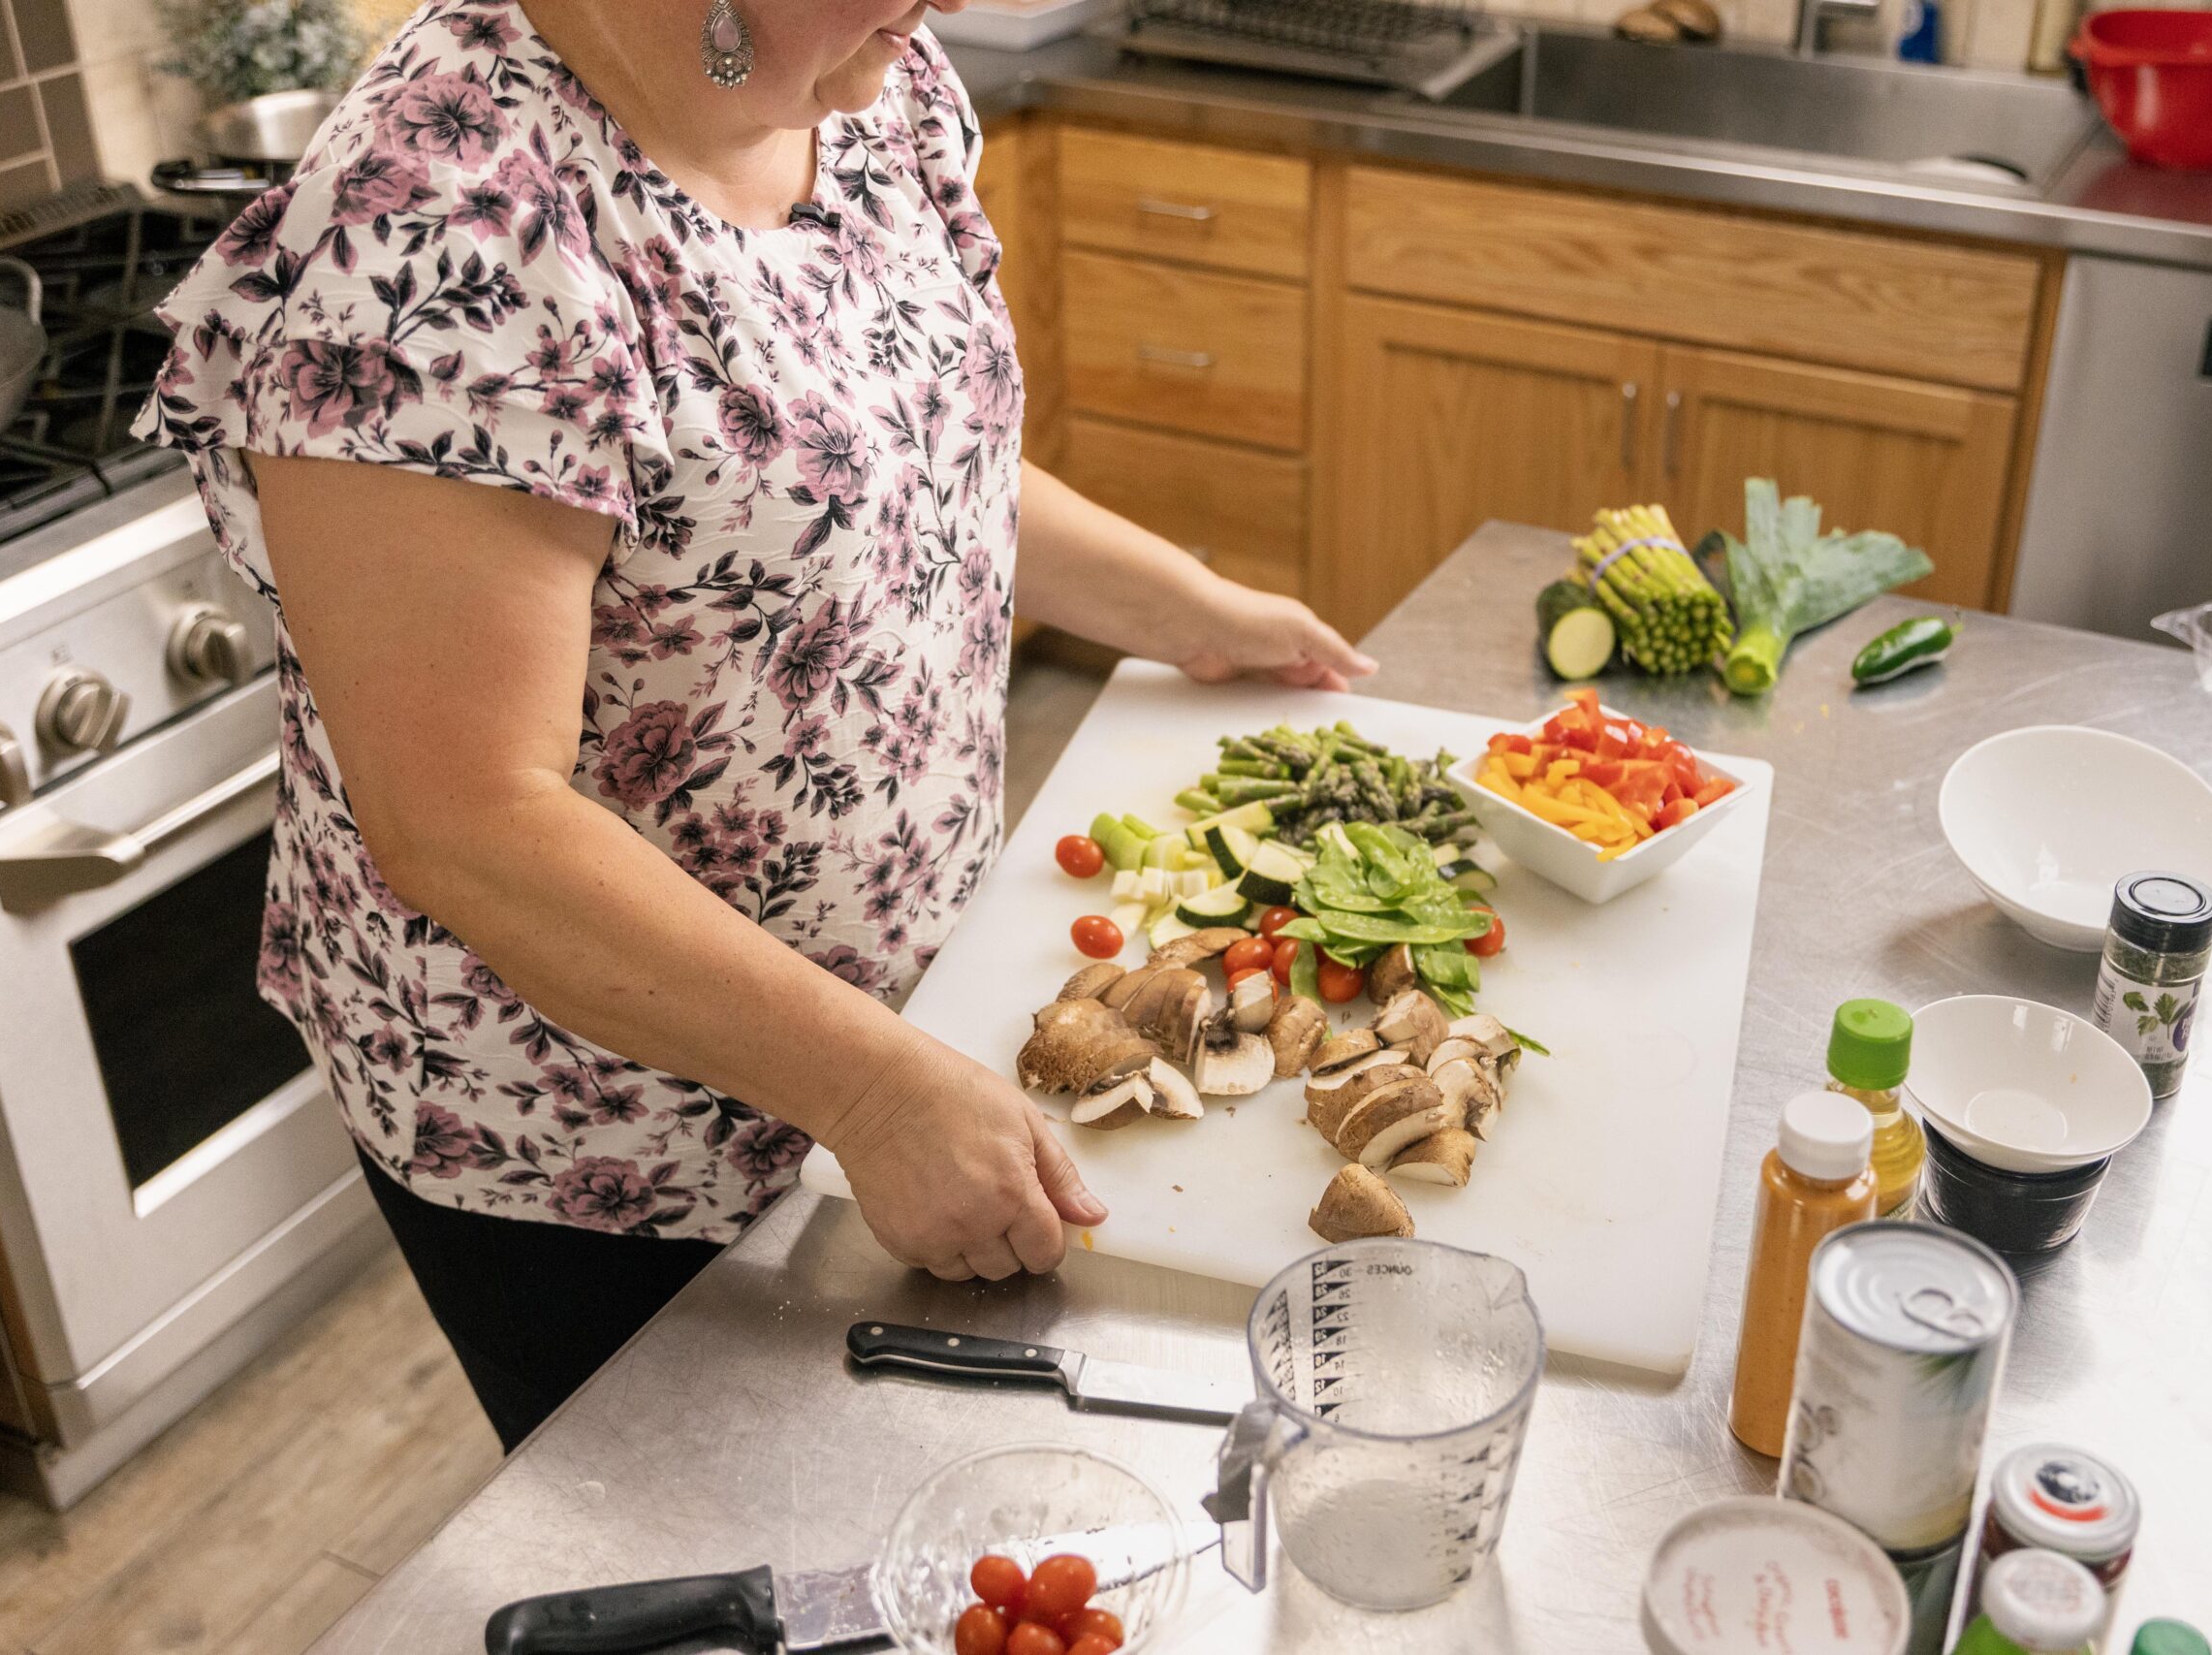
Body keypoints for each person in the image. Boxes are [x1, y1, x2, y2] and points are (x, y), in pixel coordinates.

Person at [137, 0, 1372, 1450]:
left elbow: (893, 462)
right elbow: (468, 819)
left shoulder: (859, 78)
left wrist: (1183, 601)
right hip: (597, 1136)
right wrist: (871, 1088)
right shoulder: (442, 227)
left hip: (901, 1034)